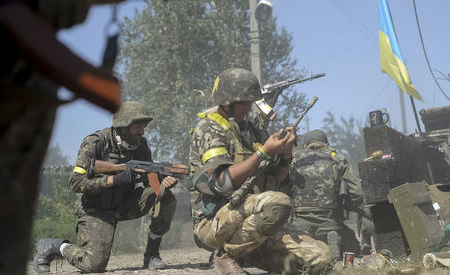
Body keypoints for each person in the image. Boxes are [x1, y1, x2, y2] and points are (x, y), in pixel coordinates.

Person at [188, 68, 331, 275]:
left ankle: (249, 253)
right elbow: (221, 183)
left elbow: (277, 182)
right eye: (244, 103)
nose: (249, 108)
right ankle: (227, 256)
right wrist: (263, 153)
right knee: (278, 203)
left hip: (254, 223)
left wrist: (285, 155)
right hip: (215, 222)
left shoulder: (250, 131)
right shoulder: (209, 128)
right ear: (227, 101)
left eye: (250, 102)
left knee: (322, 259)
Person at [33, 101, 177, 273]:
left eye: (144, 127)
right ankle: (54, 246)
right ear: (123, 125)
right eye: (138, 127)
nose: (142, 132)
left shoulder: (141, 146)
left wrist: (162, 182)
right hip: (96, 210)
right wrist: (113, 180)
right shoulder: (95, 143)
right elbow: (75, 183)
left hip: (124, 205)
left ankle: (152, 255)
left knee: (165, 196)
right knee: (94, 265)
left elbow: (148, 183)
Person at [289, 129, 366, 259]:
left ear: (305, 146)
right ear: (326, 143)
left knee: (301, 246)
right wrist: (351, 207)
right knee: (354, 248)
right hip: (330, 221)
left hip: (300, 223)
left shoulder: (294, 159)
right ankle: (334, 242)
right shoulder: (337, 157)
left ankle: (306, 244)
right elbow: (356, 191)